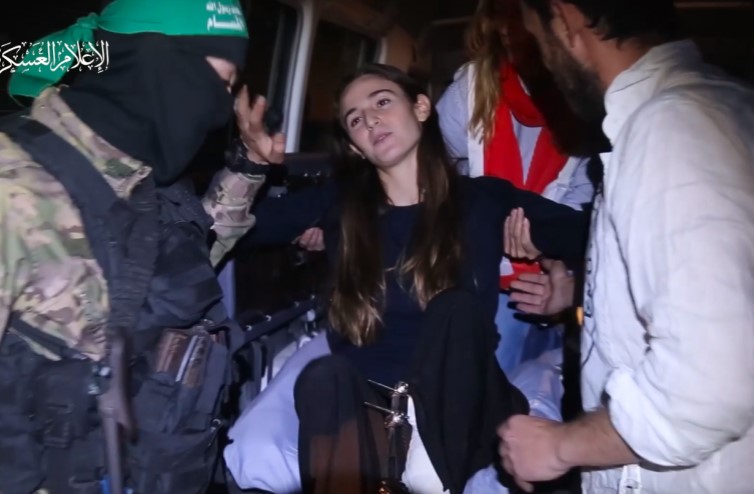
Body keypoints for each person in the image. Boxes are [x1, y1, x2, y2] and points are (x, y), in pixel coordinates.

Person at [224, 63, 589, 494]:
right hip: (371, 395)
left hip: (459, 394)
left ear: (420, 108)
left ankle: (433, 466)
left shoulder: (485, 200)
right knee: (323, 377)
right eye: (355, 120)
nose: (370, 120)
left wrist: (568, 287)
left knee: (454, 310)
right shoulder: (340, 205)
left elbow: (597, 237)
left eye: (382, 102)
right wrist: (251, 164)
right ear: (355, 146)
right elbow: (233, 232)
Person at [0, 1, 271, 493]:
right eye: (219, 82)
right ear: (155, 61)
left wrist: (249, 166)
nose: (219, 110)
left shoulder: (134, 177)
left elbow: (180, 265)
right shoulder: (13, 190)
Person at [497, 1, 754, 493]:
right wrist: (579, 296)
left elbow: (711, 387)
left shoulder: (673, 130)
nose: (544, 64)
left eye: (538, 41)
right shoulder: (711, 108)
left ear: (565, 22)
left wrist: (559, 446)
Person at [435, 0, 595, 374]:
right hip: (479, 272)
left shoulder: (587, 99)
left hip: (556, 276)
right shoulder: (469, 92)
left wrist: (560, 266)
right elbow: (434, 173)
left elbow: (585, 210)